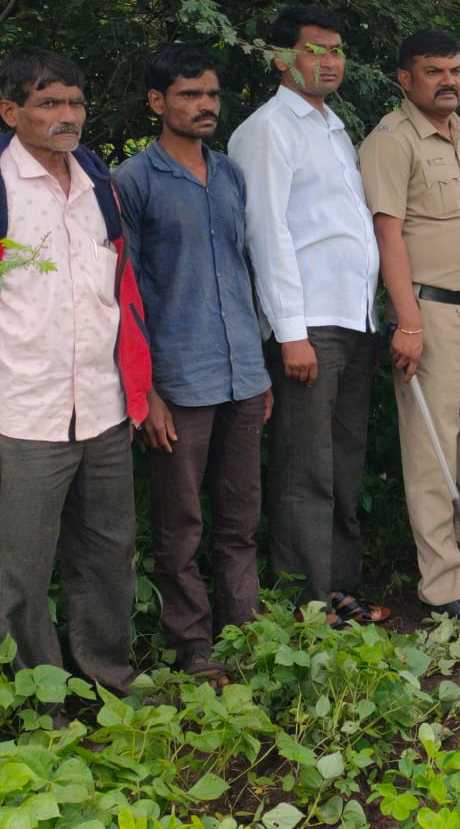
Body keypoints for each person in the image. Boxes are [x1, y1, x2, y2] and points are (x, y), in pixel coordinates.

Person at [114, 43, 272, 682]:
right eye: (189, 95)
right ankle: (193, 646)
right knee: (181, 526)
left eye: (210, 94)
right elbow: (124, 292)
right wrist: (144, 391)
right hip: (177, 381)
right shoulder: (133, 182)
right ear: (157, 102)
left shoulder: (231, 173)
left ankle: (247, 629)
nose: (205, 105)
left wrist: (260, 373)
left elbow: (246, 273)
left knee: (240, 518)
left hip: (241, 374)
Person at [229, 4, 387, 628]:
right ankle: (305, 603)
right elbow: (266, 235)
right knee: (304, 469)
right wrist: (290, 334)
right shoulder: (268, 129)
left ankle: (340, 589)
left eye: (336, 49)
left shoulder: (334, 126)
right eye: (315, 49)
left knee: (343, 464)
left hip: (354, 321)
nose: (329, 61)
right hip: (309, 326)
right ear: (280, 58)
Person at [0, 46, 151, 694]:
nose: (68, 116)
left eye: (76, 102)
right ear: (10, 111)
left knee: (109, 557)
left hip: (103, 408)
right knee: (20, 571)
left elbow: (122, 294)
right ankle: (41, 705)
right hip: (22, 413)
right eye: (49, 104)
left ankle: (107, 685)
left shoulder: (99, 185)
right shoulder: (2, 187)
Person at [359, 29, 460, 622]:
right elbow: (387, 234)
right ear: (405, 79)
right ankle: (443, 588)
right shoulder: (392, 142)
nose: (449, 80)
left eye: (455, 70)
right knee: (430, 449)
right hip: (433, 316)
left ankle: (458, 556)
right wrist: (410, 323)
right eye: (433, 71)